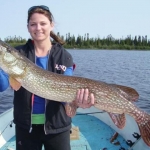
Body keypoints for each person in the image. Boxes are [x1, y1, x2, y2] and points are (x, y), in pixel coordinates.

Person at [0, 5, 95, 150]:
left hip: (57, 127)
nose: (38, 28)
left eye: (43, 23)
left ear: (51, 25)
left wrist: (78, 102)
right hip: (26, 127)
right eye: (33, 24)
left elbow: (66, 95)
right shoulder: (19, 53)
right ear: (28, 27)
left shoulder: (64, 56)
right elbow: (2, 85)